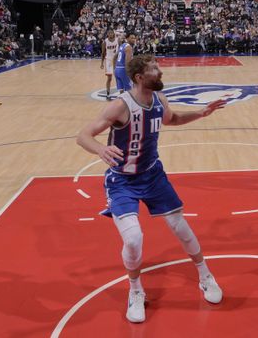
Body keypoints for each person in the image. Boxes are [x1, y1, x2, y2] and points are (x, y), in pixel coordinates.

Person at [76, 54, 226, 323]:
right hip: (122, 180)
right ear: (139, 78)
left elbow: (173, 119)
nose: (160, 72)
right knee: (133, 239)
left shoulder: (160, 99)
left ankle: (205, 275)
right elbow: (83, 135)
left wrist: (201, 113)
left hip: (153, 175)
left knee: (180, 225)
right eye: (154, 69)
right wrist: (100, 148)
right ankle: (135, 291)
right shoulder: (121, 105)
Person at [101, 30, 120, 99]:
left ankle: (121, 93)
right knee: (109, 78)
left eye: (112, 33)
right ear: (107, 34)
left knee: (118, 77)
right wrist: (102, 63)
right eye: (109, 33)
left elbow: (120, 50)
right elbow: (103, 53)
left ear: (113, 34)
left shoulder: (118, 40)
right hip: (108, 61)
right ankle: (108, 93)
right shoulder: (105, 42)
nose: (111, 34)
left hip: (117, 60)